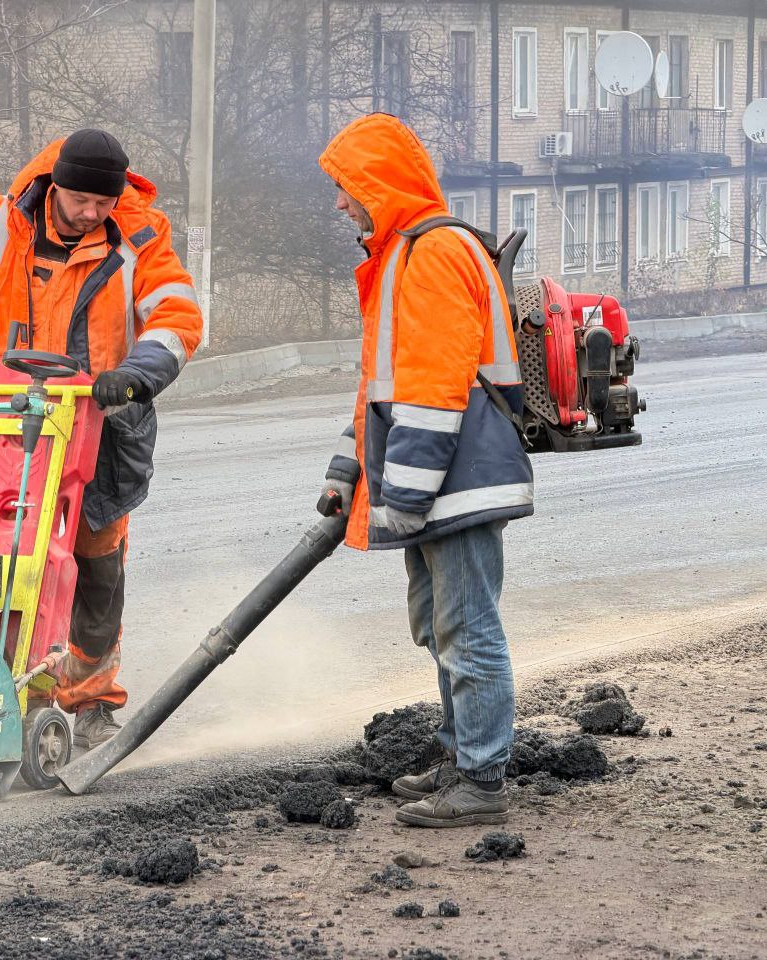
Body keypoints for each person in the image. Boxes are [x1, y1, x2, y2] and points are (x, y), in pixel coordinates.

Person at [0, 128, 202, 748]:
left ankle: (88, 700)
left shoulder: (141, 236)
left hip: (99, 422)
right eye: (80, 200)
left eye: (103, 203)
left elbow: (176, 314)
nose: (91, 213)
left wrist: (136, 376)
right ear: (54, 184)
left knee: (94, 562)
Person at [317, 113, 533, 827]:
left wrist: (403, 493)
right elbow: (381, 386)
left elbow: (434, 390)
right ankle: (459, 754)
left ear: (381, 184)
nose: (341, 202)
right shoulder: (401, 256)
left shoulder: (434, 253)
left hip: (457, 481)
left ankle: (481, 782)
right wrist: (350, 466)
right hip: (441, 480)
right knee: (440, 625)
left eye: (348, 188)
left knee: (468, 628)